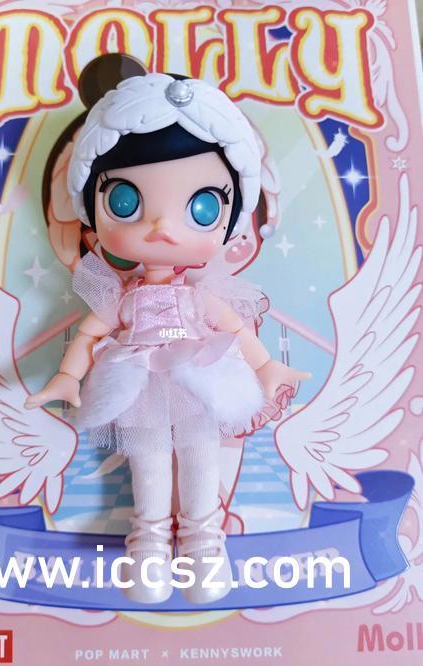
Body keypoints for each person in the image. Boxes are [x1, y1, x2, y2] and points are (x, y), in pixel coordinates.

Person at [25, 55, 310, 605]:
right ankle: (149, 546)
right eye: (125, 201)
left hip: (199, 382)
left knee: (201, 455)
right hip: (138, 388)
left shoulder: (200, 295)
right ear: (93, 209)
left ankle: (204, 544)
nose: (161, 227)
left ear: (230, 218)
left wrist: (266, 366)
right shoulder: (120, 297)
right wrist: (67, 377)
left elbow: (235, 327)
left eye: (202, 208)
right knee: (149, 464)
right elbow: (89, 335)